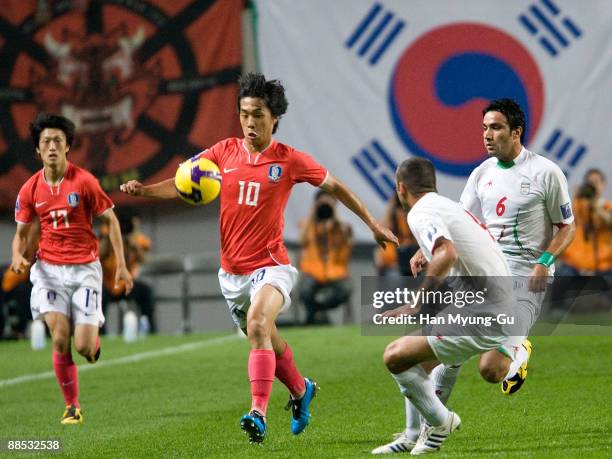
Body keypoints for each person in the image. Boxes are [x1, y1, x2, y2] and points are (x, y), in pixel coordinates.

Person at [120, 73, 398, 444]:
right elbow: (183, 181)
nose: (250, 123)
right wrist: (145, 191)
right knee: (268, 338)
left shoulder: (290, 160)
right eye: (245, 114)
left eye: (259, 116)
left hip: (272, 267)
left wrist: (373, 224)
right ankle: (301, 391)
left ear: (275, 118)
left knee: (256, 325)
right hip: (231, 274)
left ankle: (258, 413)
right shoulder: (223, 152)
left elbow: (337, 188)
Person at [379, 99, 576, 454]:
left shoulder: (546, 173)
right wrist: (427, 251)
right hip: (480, 275)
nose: (487, 135)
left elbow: (567, 227)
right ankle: (425, 430)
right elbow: (462, 221)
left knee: (491, 370)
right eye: (485, 127)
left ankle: (517, 349)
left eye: (496, 127)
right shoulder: (482, 174)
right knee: (434, 353)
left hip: (524, 278)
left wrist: (545, 260)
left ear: (516, 132)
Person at [373, 157, 515, 455]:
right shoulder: (446, 205)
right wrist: (428, 254)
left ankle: (441, 422)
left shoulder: (420, 212)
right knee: (418, 362)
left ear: (401, 188)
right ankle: (412, 434)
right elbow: (456, 247)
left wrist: (414, 303)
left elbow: (447, 252)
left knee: (395, 357)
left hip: (485, 311)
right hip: (497, 303)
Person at [11, 113, 133, 424]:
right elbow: (22, 234)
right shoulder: (29, 189)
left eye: (57, 141)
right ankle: (72, 406)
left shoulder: (85, 182)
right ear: (38, 150)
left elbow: (112, 221)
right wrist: (16, 256)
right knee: (60, 337)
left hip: (85, 271)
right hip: (49, 271)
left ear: (68, 147)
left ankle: (92, 345)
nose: (52, 146)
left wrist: (120, 265)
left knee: (83, 347)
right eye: (46, 142)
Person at [298, 189, 353, 325]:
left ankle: (317, 315)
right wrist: (313, 212)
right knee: (304, 289)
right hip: (313, 274)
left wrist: (334, 214)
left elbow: (348, 241)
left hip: (337, 275)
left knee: (345, 288)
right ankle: (320, 317)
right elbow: (302, 241)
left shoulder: (342, 227)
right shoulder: (308, 224)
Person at [100, 209, 156, 333]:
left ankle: (150, 329)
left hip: (127, 284)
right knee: (97, 297)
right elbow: (99, 255)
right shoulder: (107, 233)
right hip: (108, 284)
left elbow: (143, 258)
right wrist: (111, 238)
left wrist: (133, 245)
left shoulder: (136, 239)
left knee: (146, 291)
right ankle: (101, 332)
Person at [374, 194, 419, 277]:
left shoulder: (414, 215)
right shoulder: (393, 214)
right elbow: (380, 229)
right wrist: (391, 206)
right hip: (393, 260)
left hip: (409, 257)